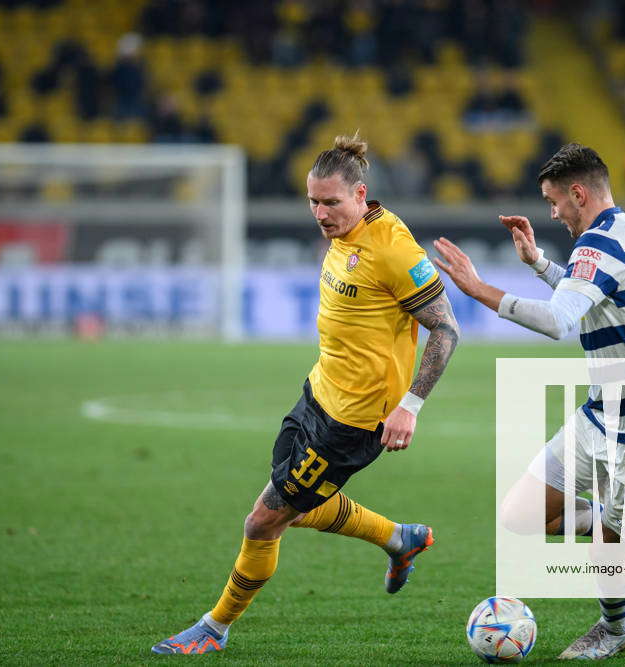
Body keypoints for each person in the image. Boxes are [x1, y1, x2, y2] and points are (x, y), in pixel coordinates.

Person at [151, 134, 460, 654]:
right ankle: (398, 539)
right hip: (317, 394)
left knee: (263, 520)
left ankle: (215, 628)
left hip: (354, 422)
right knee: (291, 502)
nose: (320, 212)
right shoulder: (345, 233)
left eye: (331, 202)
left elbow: (446, 330)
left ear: (360, 195)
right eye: (313, 201)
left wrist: (410, 405)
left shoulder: (393, 250)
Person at [433, 143, 625, 660]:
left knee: (609, 549)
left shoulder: (598, 245)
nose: (552, 213)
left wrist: (477, 288)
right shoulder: (623, 236)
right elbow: (587, 295)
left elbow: (559, 321)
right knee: (520, 513)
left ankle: (615, 628)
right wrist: (538, 264)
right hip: (601, 418)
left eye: (555, 202)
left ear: (579, 193)